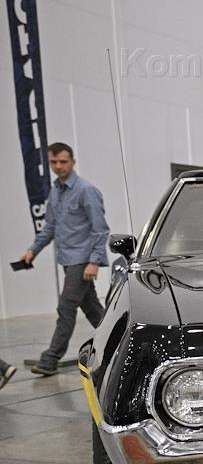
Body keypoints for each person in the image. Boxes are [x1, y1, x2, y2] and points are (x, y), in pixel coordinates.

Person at [19, 142, 110, 376]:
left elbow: (100, 229)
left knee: (66, 307)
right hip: (68, 260)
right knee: (93, 309)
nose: (58, 166)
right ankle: (117, 341)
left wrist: (94, 261)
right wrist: (33, 250)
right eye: (54, 162)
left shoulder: (86, 190)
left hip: (82, 261)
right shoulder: (56, 191)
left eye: (63, 161)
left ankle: (50, 359)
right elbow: (50, 226)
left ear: (72, 162)